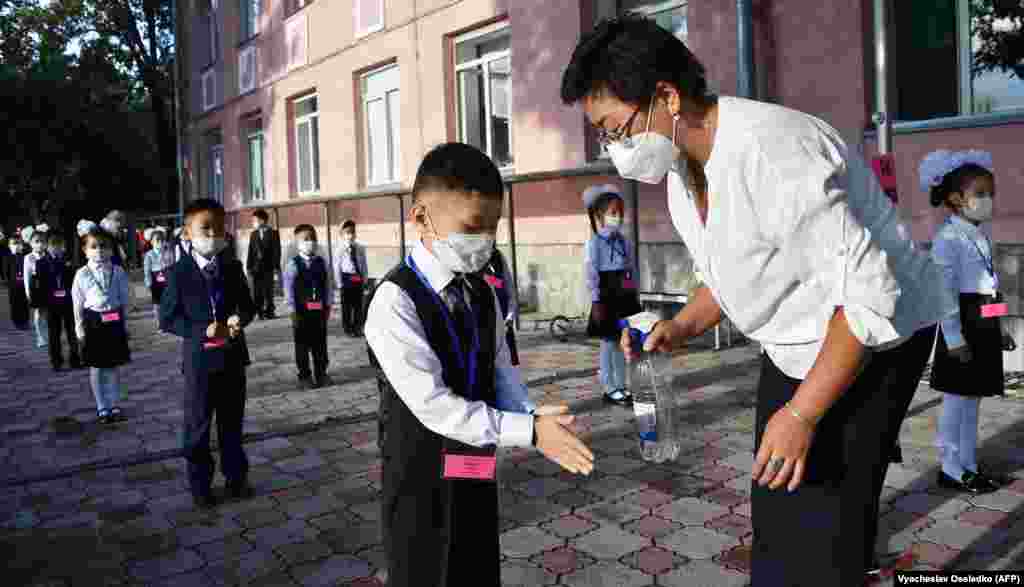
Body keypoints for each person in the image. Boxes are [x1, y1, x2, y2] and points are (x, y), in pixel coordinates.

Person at [560, 14, 955, 585]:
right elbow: (731, 273)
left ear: (666, 97)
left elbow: (866, 299)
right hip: (799, 338)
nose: (613, 147)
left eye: (615, 128)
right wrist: (680, 327)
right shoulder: (683, 169)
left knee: (821, 520)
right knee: (775, 506)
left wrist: (802, 413)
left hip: (874, 336)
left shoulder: (774, 153)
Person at [364, 142, 594, 587]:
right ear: (420, 218)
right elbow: (434, 406)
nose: (484, 243)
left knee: (477, 566)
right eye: (473, 228)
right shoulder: (394, 302)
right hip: (421, 475)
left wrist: (529, 414)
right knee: (426, 571)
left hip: (475, 465)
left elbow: (500, 370)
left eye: (492, 229)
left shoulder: (482, 293)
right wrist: (527, 431)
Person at [922, 149, 1014, 495]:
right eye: (980, 194)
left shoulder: (978, 233)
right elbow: (944, 293)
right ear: (955, 198)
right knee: (957, 400)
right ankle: (949, 466)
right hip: (961, 324)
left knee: (973, 400)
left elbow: (988, 287)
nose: (988, 201)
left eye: (991, 193)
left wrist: (1000, 328)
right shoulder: (948, 239)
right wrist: (954, 337)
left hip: (983, 322)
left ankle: (969, 465)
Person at [160, 198, 255, 509]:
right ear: (187, 232)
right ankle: (200, 484)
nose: (213, 234)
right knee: (198, 426)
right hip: (200, 363)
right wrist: (202, 331)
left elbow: (247, 305)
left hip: (231, 359)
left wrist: (240, 318)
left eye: (219, 227)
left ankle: (236, 476)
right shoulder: (177, 273)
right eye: (205, 228)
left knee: (232, 423)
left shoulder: (232, 266)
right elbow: (168, 319)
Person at [583, 184, 641, 406]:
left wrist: (635, 292)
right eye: (613, 213)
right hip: (606, 296)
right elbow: (591, 274)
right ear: (600, 215)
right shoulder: (594, 244)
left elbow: (632, 269)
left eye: (621, 213)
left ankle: (621, 384)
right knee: (608, 343)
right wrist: (596, 300)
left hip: (624, 295)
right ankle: (609, 387)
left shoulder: (624, 242)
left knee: (623, 340)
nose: (618, 217)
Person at [72, 223, 131, 424]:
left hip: (113, 321)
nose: (99, 251)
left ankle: (114, 404)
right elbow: (77, 304)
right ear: (85, 250)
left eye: (104, 246)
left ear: (111, 248)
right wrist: (79, 329)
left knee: (113, 366)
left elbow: (124, 301)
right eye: (94, 246)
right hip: (93, 322)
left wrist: (125, 326)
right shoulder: (81, 274)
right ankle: (101, 406)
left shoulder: (118, 271)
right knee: (97, 367)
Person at [284, 225, 334, 389]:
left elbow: (327, 285)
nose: (310, 242)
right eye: (306, 239)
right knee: (302, 345)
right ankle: (304, 376)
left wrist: (328, 304)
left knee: (320, 343)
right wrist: (291, 309)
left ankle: (321, 373)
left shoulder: (322, 262)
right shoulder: (293, 264)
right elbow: (288, 288)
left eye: (313, 238)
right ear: (297, 243)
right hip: (301, 312)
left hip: (319, 311)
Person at [41, 232, 81, 371]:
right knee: (54, 333)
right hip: (51, 303)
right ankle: (56, 361)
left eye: (59, 245)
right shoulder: (42, 262)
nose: (56, 248)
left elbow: (75, 280)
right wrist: (41, 304)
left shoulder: (68, 261)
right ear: (48, 247)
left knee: (72, 332)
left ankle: (75, 359)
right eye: (53, 245)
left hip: (68, 301)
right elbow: (40, 285)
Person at [481, 247, 519, 365]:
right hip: (484, 327)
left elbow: (509, 290)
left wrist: (510, 317)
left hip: (504, 324)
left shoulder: (498, 256)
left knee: (509, 366)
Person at [334, 219, 368, 337]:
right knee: (347, 307)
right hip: (346, 278)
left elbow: (363, 264)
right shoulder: (339, 249)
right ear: (342, 234)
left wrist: (365, 278)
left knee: (358, 305)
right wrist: (339, 283)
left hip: (357, 278)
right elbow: (337, 266)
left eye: (352, 232)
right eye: (347, 232)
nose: (351, 234)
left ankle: (358, 327)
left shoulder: (359, 247)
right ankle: (348, 328)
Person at [247, 209, 281, 320]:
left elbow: (277, 251)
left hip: (268, 267)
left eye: (255, 220)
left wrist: (276, 267)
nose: (253, 222)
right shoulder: (253, 234)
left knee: (268, 291)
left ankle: (270, 312)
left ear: (262, 220)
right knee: (257, 291)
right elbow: (250, 251)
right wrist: (249, 267)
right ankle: (259, 312)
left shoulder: (273, 233)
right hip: (256, 268)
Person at [23, 225, 50, 348]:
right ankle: (41, 337)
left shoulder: (48, 256)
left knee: (49, 313)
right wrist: (28, 293)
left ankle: (49, 335)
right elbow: (26, 276)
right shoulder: (28, 258)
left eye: (42, 241)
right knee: (39, 313)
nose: (39, 244)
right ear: (31, 243)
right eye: (36, 242)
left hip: (49, 286)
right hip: (36, 287)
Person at [144, 227, 175, 330]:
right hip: (155, 281)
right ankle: (160, 323)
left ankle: (169, 321)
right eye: (157, 240)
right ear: (152, 242)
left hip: (168, 279)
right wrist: (148, 283)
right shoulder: (149, 255)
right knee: (157, 304)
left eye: (162, 240)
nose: (160, 242)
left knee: (169, 301)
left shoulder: (168, 252)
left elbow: (172, 265)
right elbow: (147, 270)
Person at [3, 236, 30, 331]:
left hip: (24, 284)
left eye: (19, 243)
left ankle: (25, 320)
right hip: (13, 285)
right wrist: (7, 281)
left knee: (24, 303)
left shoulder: (25, 256)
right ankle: (16, 320)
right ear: (9, 246)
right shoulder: (7, 257)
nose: (17, 246)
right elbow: (6, 271)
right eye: (14, 243)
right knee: (14, 303)